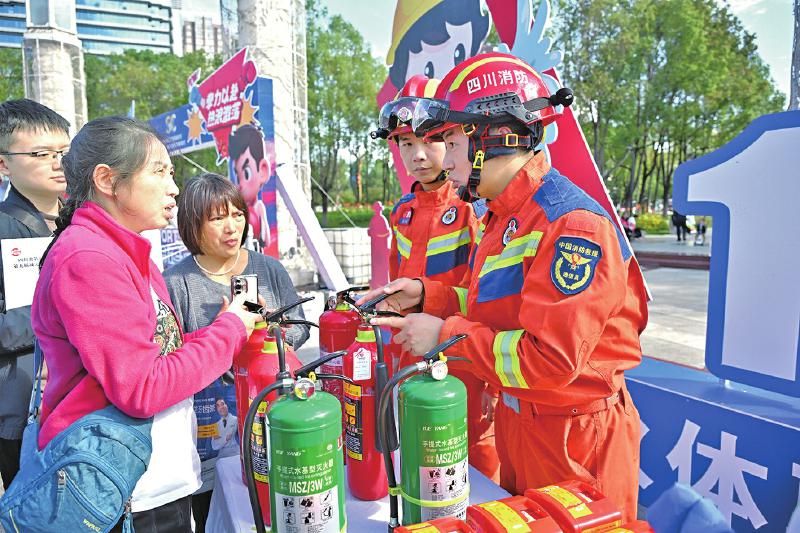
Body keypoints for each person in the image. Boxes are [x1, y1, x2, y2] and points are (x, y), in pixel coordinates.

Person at [363, 53, 648, 522]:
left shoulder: (572, 227)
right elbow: (493, 307)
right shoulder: (504, 217)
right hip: (523, 425)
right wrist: (427, 295)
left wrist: (444, 335)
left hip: (575, 442)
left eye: (451, 142)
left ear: (492, 138)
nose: (446, 158)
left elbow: (549, 359)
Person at [31, 117, 262, 533]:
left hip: (152, 480)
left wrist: (224, 327)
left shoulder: (123, 249)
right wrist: (229, 329)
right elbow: (143, 387)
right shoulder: (89, 258)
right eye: (159, 172)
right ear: (107, 180)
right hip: (125, 493)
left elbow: (157, 350)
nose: (174, 188)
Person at [164, 172, 309, 531]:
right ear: (192, 226)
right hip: (208, 425)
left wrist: (271, 334)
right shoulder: (176, 282)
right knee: (215, 511)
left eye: (237, 215)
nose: (232, 227)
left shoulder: (269, 268)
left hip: (272, 410)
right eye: (217, 218)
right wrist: (219, 334)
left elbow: (301, 327)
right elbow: (169, 355)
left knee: (277, 499)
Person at [373, 74, 498, 481]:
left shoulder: (476, 209)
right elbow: (397, 287)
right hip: (412, 358)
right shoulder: (403, 211)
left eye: (430, 141)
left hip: (465, 364)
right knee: (420, 460)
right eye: (406, 144)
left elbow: (489, 302)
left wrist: (493, 386)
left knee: (474, 467)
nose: (419, 155)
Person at [0, 99, 70, 490]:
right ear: (4, 164)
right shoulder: (3, 228)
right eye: (41, 154)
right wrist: (56, 314)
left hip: (85, 403)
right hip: (23, 409)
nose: (58, 163)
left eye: (64, 151)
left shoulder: (82, 221)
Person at [229, 124, 272, 251]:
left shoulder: (259, 207)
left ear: (263, 170)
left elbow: (266, 239)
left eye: (246, 174)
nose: (240, 184)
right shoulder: (237, 208)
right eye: (238, 177)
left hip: (256, 249)